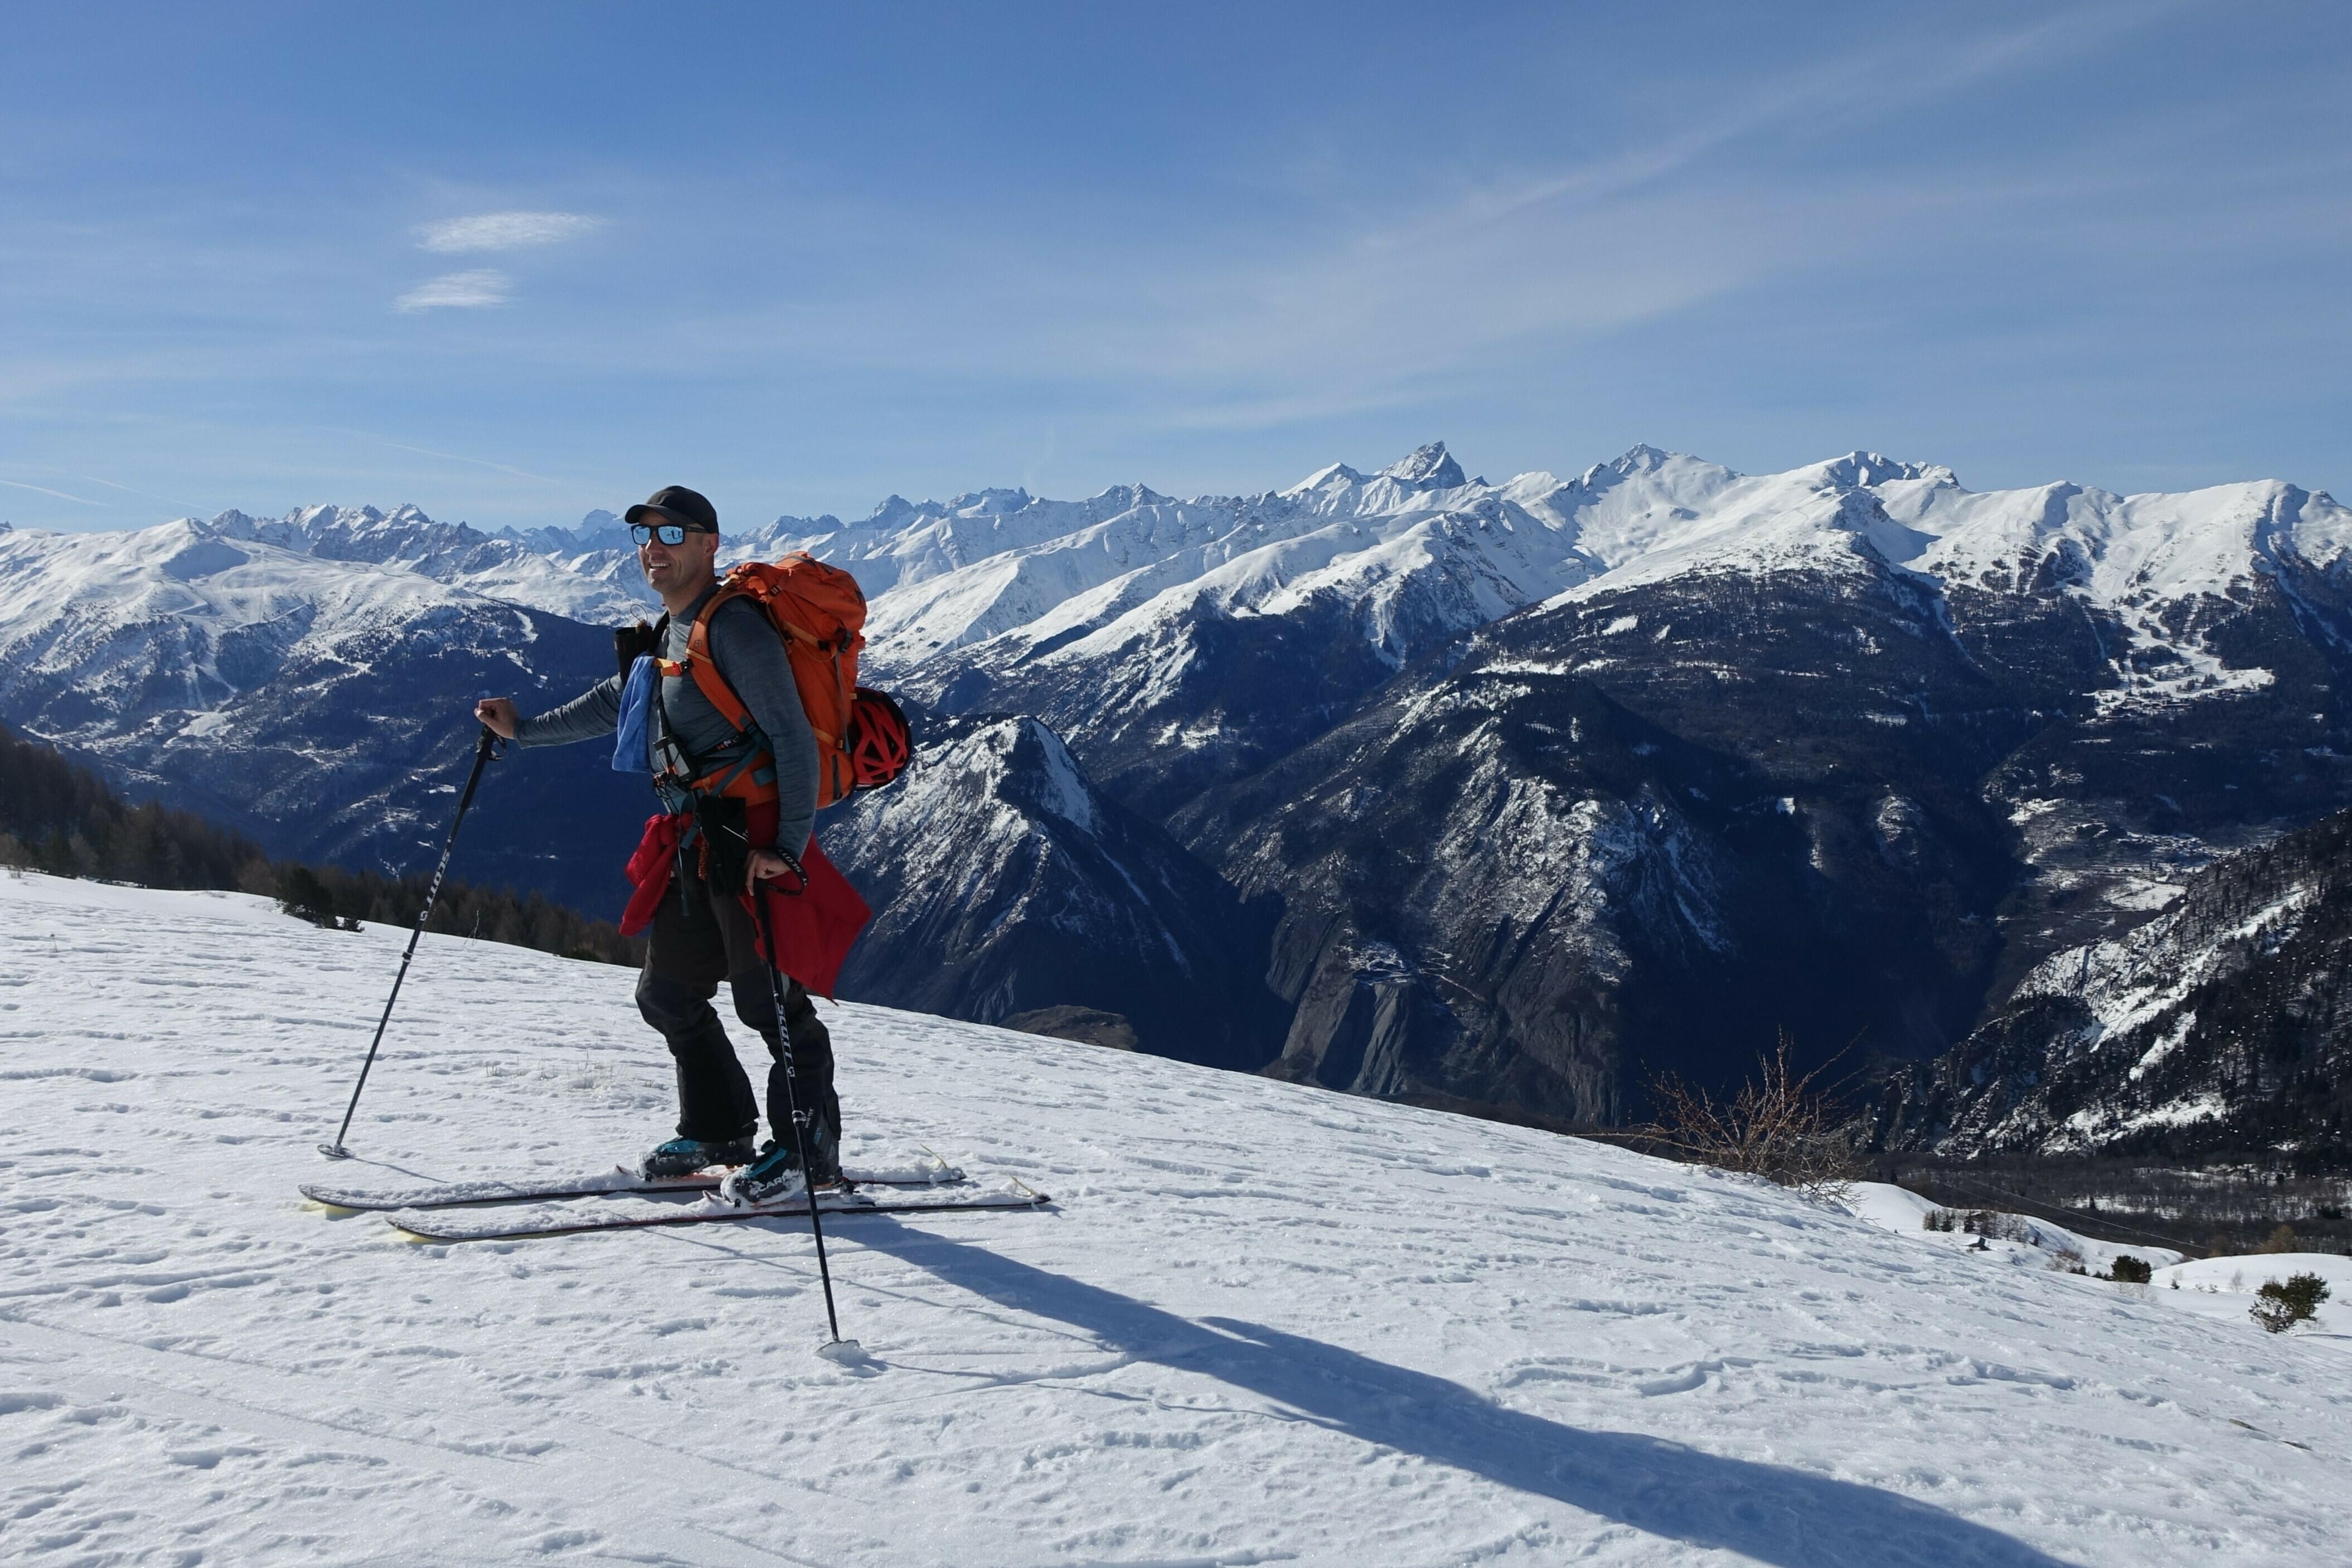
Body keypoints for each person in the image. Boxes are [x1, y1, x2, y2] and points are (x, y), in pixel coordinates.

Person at [474, 484, 840, 1201]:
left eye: (672, 535)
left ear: (709, 544)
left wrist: (788, 848)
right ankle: (719, 1128)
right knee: (667, 992)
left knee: (769, 1002)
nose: (654, 549)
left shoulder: (735, 628)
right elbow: (619, 703)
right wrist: (523, 731)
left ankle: (809, 1150)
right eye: (644, 536)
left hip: (752, 840)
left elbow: (795, 738)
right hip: (697, 838)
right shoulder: (671, 631)